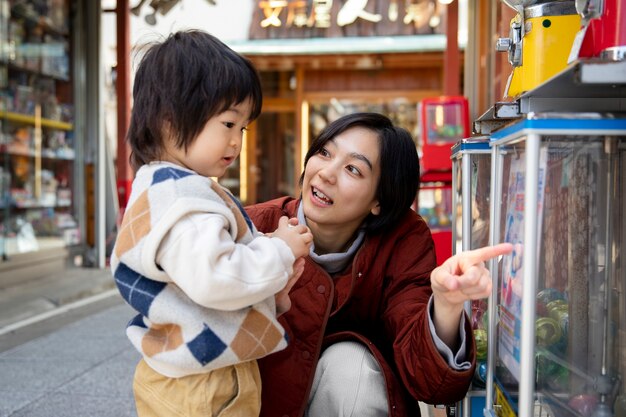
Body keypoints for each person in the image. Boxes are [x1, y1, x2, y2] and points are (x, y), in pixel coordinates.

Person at [245, 112, 513, 417]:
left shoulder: (402, 243)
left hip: (354, 403)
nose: (325, 174)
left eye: (352, 169)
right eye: (324, 153)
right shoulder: (253, 225)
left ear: (380, 201)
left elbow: (432, 386)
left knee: (349, 365)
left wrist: (447, 304)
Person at [110, 30, 313, 417]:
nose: (237, 142)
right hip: (207, 387)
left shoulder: (163, 189)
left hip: (189, 377)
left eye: (243, 128)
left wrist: (273, 290)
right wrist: (280, 248)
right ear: (169, 121)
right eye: (228, 123)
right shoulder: (184, 199)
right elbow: (215, 277)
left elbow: (201, 286)